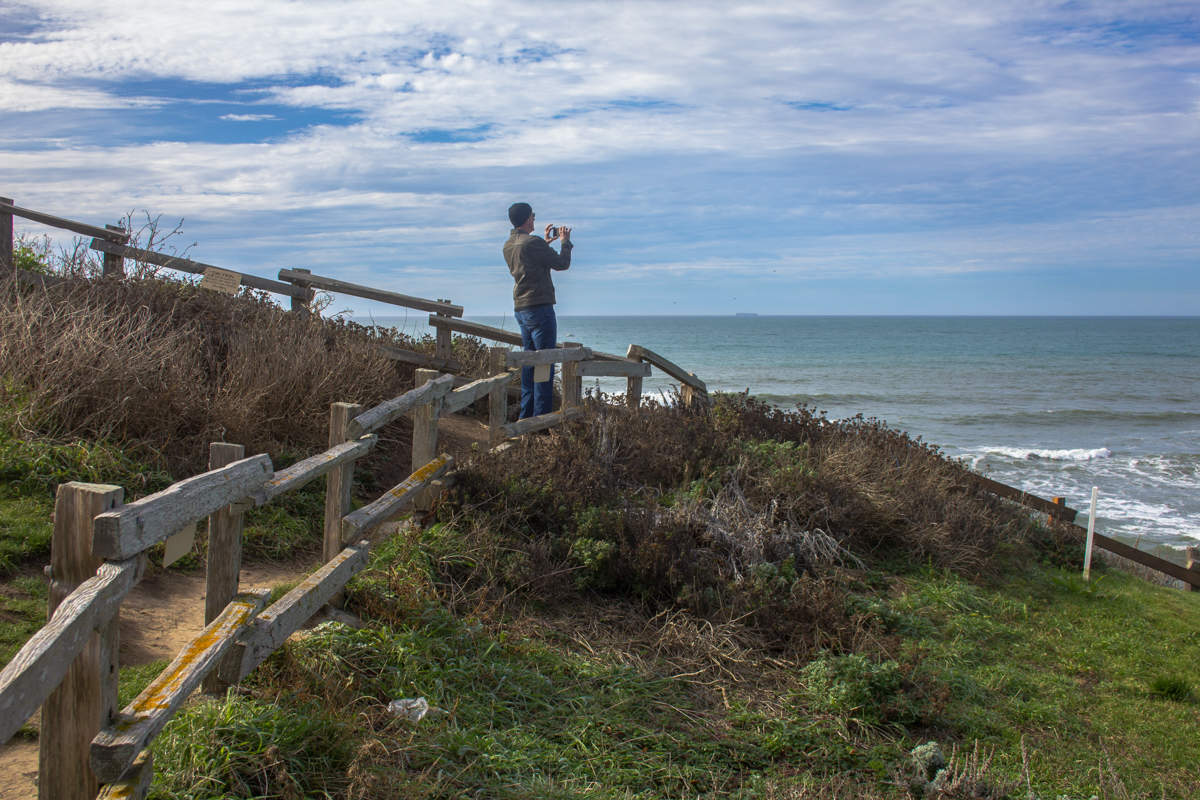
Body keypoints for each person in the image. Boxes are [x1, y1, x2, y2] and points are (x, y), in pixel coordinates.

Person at [503, 201, 573, 419]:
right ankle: (540, 420)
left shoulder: (509, 244)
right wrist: (565, 242)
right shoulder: (533, 243)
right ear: (527, 219)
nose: (534, 218)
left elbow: (530, 258)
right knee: (544, 363)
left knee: (528, 362)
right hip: (540, 308)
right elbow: (562, 263)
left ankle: (527, 416)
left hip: (521, 307)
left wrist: (545, 242)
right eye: (533, 215)